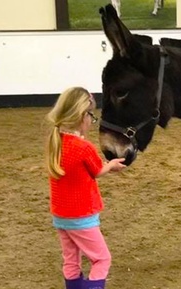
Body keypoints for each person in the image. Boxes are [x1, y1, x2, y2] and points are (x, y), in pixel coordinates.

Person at [44, 87, 126, 289]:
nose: (92, 120)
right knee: (102, 259)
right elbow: (97, 171)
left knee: (71, 259)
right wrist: (112, 165)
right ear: (82, 116)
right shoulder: (83, 148)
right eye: (91, 115)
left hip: (61, 215)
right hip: (81, 215)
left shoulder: (56, 142)